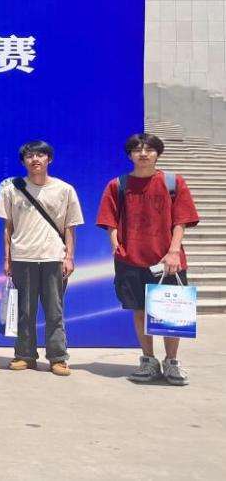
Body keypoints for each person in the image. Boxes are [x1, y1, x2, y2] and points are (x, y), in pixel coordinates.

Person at [96, 133, 199, 385]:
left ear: (157, 153)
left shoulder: (173, 182)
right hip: (131, 259)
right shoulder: (118, 184)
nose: (143, 154)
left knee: (170, 313)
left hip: (167, 260)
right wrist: (116, 245)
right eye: (137, 149)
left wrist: (173, 251)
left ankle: (171, 362)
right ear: (129, 154)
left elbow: (181, 220)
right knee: (140, 311)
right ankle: (148, 360)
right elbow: (110, 220)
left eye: (149, 149)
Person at [0, 140, 83, 376]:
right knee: (25, 311)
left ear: (49, 159)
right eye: (30, 156)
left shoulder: (65, 189)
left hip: (54, 257)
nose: (35, 159)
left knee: (55, 311)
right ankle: (25, 355)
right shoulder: (11, 190)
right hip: (23, 256)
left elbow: (70, 226)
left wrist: (69, 257)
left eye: (40, 155)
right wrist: (7, 258)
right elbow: (7, 227)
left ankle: (58, 358)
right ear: (23, 161)